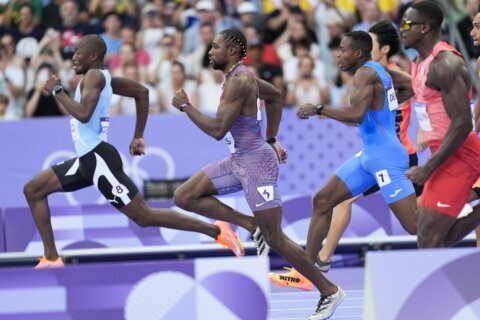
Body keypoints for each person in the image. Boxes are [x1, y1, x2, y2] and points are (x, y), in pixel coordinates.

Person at [23, 35, 245, 269]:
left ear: (93, 56)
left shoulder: (94, 76)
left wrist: (58, 90)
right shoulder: (102, 78)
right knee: (34, 190)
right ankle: (51, 257)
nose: (73, 57)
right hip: (87, 160)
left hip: (97, 160)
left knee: (144, 216)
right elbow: (141, 92)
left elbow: (84, 113)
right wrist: (138, 135)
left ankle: (216, 230)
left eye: (78, 52)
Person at [171, 28, 344, 320]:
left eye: (215, 47)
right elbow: (275, 96)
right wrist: (273, 139)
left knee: (276, 238)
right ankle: (251, 226)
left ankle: (330, 291)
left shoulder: (240, 81)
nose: (210, 51)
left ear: (233, 50)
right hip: (239, 160)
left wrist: (186, 106)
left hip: (257, 166)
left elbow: (217, 131)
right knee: (184, 195)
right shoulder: (238, 77)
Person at [270, 30, 418, 293]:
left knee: (414, 226)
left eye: (343, 49)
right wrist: (387, 108)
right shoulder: (377, 69)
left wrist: (319, 109)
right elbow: (409, 84)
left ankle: (471, 215)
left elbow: (357, 115)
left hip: (386, 157)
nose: (337, 54)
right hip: (371, 154)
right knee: (323, 199)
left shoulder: (366, 73)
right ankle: (305, 272)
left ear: (358, 53)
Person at [314, 19, 423, 274]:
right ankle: (322, 259)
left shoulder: (388, 75)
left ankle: (323, 259)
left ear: (383, 49)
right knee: (419, 218)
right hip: (384, 154)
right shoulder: (371, 75)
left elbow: (410, 94)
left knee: (344, 201)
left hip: (396, 156)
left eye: (370, 43)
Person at [402, 1, 480, 248]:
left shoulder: (446, 63)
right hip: (445, 154)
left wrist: (428, 168)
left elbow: (462, 123)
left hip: (461, 156)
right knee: (427, 234)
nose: (401, 28)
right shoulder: (418, 63)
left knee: (428, 240)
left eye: (406, 23)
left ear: (425, 28)